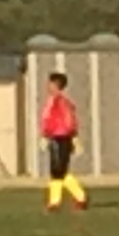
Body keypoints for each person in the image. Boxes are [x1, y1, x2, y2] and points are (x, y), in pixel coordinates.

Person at [39, 70, 87, 212]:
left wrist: (73, 136)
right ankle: (75, 198)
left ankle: (62, 200)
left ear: (57, 85)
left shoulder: (60, 102)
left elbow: (68, 120)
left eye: (51, 83)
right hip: (55, 137)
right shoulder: (53, 101)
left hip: (61, 137)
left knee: (58, 170)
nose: (48, 86)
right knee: (58, 170)